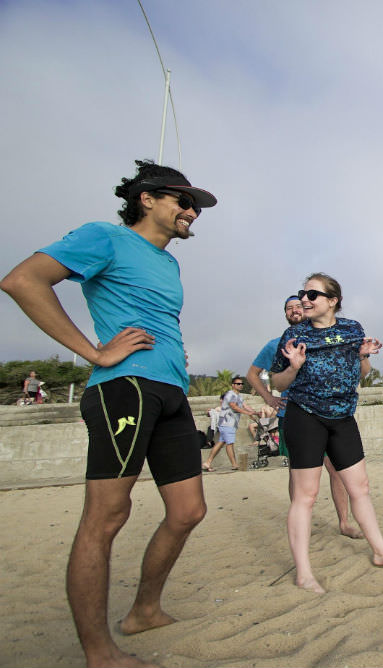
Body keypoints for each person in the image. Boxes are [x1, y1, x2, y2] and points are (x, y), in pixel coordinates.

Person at [1, 159, 217, 666]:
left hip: (170, 391)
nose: (192, 212)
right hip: (125, 388)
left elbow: (152, 315)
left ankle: (143, 611)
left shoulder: (169, 263)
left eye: (196, 206)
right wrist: (95, 352)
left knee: (189, 512)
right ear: (148, 199)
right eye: (183, 202)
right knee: (107, 516)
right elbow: (22, 281)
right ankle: (99, 653)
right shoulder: (104, 236)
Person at [270, 273, 383, 593]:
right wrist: (293, 366)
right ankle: (304, 573)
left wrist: (364, 355)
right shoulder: (293, 334)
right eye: (303, 294)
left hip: (343, 417)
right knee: (305, 496)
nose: (305, 299)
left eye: (313, 295)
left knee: (360, 487)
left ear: (332, 301)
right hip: (305, 416)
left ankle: (380, 550)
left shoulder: (351, 329)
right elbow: (278, 384)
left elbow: (363, 373)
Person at [246, 295, 362, 538]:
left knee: (336, 469)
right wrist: (269, 398)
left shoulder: (323, 337)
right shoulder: (275, 344)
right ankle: (302, 524)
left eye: (298, 306)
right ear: (286, 315)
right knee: (297, 474)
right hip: (294, 415)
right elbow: (252, 374)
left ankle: (344, 522)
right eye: (289, 308)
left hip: (328, 415)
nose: (294, 310)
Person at [202, 377, 257, 472]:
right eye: (238, 384)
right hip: (227, 423)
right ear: (233, 385)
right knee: (229, 443)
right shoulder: (230, 395)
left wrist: (255, 412)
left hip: (230, 424)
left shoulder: (239, 396)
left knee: (220, 443)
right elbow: (234, 406)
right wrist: (247, 413)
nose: (240, 385)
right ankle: (234, 464)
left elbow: (245, 406)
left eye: (241, 384)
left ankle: (207, 462)